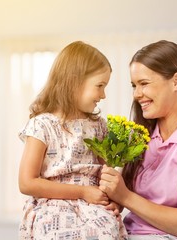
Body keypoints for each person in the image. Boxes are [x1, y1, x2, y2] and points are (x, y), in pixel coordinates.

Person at [99, 40, 177, 240]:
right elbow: (123, 200)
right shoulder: (141, 137)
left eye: (144, 83)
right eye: (134, 85)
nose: (137, 94)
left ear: (176, 81)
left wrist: (125, 196)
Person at [18, 41, 128, 239]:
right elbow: (27, 182)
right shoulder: (42, 125)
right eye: (100, 86)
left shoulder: (99, 126)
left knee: (106, 232)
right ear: (75, 82)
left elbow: (107, 177)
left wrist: (115, 201)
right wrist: (82, 192)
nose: (103, 95)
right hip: (53, 204)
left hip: (93, 206)